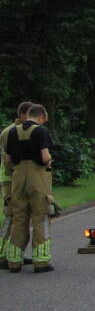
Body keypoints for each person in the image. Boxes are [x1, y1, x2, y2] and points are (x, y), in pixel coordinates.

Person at [5, 104, 55, 273]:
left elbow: (8, 158)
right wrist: (49, 162)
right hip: (37, 177)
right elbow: (44, 156)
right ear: (41, 116)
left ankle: (14, 261)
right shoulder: (41, 131)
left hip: (18, 178)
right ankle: (41, 262)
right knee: (40, 217)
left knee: (19, 218)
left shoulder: (13, 131)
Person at [1, 101, 33, 267]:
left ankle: (16, 253)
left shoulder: (22, 130)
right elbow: (8, 159)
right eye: (30, 115)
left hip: (18, 178)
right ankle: (2, 254)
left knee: (21, 217)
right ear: (22, 115)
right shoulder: (10, 132)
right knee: (11, 216)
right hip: (10, 179)